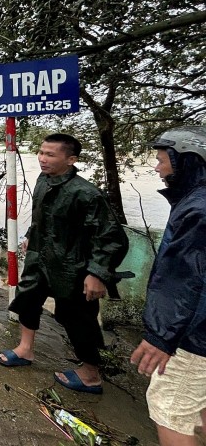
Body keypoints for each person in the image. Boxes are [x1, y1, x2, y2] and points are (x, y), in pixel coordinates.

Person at [0, 133, 128, 395]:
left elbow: (112, 238)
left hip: (73, 265)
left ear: (71, 160)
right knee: (27, 299)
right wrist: (29, 237)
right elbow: (40, 218)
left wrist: (97, 273)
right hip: (40, 257)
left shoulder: (87, 194)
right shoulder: (43, 181)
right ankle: (25, 348)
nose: (43, 159)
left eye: (50, 155)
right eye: (41, 152)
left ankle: (91, 374)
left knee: (78, 317)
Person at [130, 126, 206, 445]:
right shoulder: (195, 201)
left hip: (193, 336)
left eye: (162, 160)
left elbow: (190, 279)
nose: (157, 168)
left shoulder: (198, 210)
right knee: (198, 403)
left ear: (186, 160)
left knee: (169, 407)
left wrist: (162, 335)